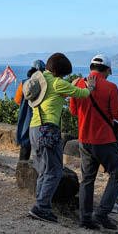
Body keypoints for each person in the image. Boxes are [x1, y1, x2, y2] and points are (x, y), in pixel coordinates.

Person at [27, 52, 94, 224]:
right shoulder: (58, 83)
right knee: (54, 170)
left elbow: (58, 93)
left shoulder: (42, 80)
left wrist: (68, 84)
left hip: (34, 128)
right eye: (65, 74)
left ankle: (40, 201)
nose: (65, 77)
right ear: (60, 72)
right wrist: (91, 87)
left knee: (43, 169)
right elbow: (82, 94)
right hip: (48, 129)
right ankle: (41, 207)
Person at [69, 54, 118, 230]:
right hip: (105, 139)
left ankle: (85, 219)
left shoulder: (78, 84)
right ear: (107, 70)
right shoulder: (111, 87)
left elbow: (73, 111)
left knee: (87, 179)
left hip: (84, 138)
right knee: (117, 174)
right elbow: (117, 115)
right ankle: (101, 213)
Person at [14, 59, 46, 162]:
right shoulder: (44, 84)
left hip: (26, 114)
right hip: (41, 115)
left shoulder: (23, 83)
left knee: (25, 141)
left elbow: (17, 100)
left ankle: (22, 165)